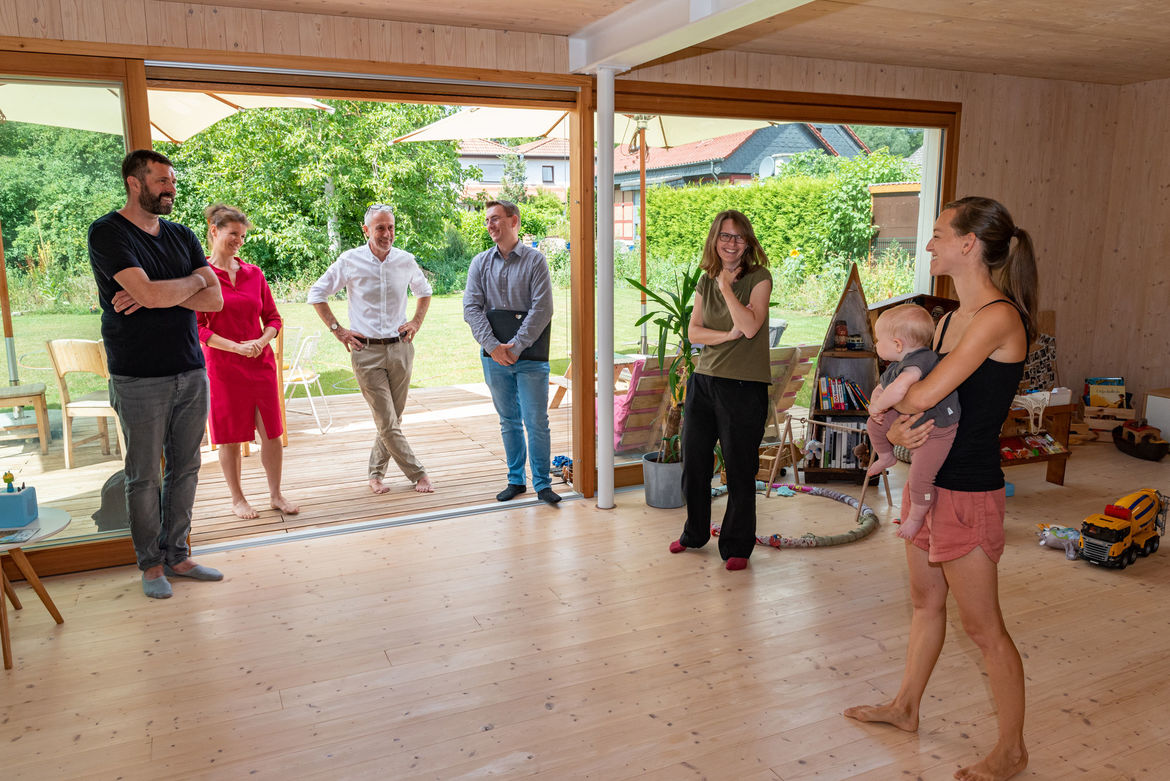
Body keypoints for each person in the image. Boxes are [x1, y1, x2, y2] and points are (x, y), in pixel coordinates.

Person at [844, 196, 1037, 781]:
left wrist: (897, 407)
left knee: (984, 629)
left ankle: (1012, 750)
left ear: (968, 244)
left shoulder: (997, 319)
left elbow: (925, 396)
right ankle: (905, 707)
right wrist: (899, 430)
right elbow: (923, 410)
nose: (927, 244)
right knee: (926, 604)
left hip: (970, 492)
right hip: (929, 483)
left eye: (936, 234)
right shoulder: (949, 319)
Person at [87, 149, 225, 599]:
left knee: (185, 467)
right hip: (138, 375)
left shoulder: (182, 235)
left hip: (190, 368)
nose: (170, 188)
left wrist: (158, 294)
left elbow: (216, 300)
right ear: (134, 182)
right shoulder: (108, 233)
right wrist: (185, 285)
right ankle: (150, 566)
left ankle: (178, 554)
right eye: (162, 181)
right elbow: (148, 289)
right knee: (144, 474)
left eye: (172, 181)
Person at [668, 210, 773, 571]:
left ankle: (737, 546)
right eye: (725, 236)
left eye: (738, 237)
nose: (731, 243)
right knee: (694, 463)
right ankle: (694, 533)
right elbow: (693, 333)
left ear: (748, 242)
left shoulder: (759, 278)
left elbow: (748, 326)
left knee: (740, 469)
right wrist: (724, 335)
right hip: (704, 381)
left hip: (744, 386)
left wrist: (727, 288)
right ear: (715, 239)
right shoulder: (704, 279)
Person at [307, 204, 434, 494]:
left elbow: (424, 291)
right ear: (366, 230)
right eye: (380, 227)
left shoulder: (405, 260)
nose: (387, 233)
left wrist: (416, 321)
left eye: (390, 227)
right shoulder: (350, 260)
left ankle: (375, 474)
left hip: (401, 349)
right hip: (366, 352)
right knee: (388, 421)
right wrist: (338, 330)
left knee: (392, 420)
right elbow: (317, 293)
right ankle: (419, 474)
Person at [198, 204, 298, 520]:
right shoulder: (200, 276)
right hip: (223, 367)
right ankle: (237, 499)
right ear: (214, 231)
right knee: (228, 434)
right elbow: (199, 328)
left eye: (242, 236)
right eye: (233, 234)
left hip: (260, 363)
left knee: (272, 432)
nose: (239, 241)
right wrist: (236, 348)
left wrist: (260, 341)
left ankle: (276, 494)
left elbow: (273, 318)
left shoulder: (254, 274)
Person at [463, 200, 560, 505]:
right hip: (494, 358)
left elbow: (542, 309)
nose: (490, 225)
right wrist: (493, 347)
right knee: (508, 420)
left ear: (514, 221)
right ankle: (516, 480)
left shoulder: (535, 261)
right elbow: (471, 308)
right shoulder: (480, 263)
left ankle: (543, 483)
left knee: (536, 421)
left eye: (496, 219)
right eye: (488, 220)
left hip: (530, 358)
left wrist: (515, 347)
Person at [865, 303, 960, 540]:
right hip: (916, 418)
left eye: (878, 340)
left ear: (897, 344)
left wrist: (878, 405)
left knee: (920, 476)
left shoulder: (921, 361)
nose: (876, 345)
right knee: (874, 423)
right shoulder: (898, 365)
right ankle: (886, 456)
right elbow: (883, 387)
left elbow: (898, 390)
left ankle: (917, 517)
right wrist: (875, 401)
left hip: (937, 429)